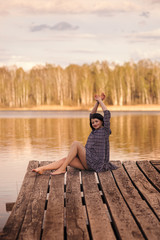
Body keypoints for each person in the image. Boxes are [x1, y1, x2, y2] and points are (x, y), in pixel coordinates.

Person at [32, 93, 117, 175]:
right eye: (93, 122)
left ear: (102, 122)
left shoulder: (105, 130)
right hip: (88, 162)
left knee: (76, 143)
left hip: (96, 163)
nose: (94, 123)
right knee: (66, 160)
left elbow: (107, 113)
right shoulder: (94, 130)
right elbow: (92, 115)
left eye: (96, 121)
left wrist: (100, 101)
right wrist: (97, 102)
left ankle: (62, 169)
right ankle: (42, 169)